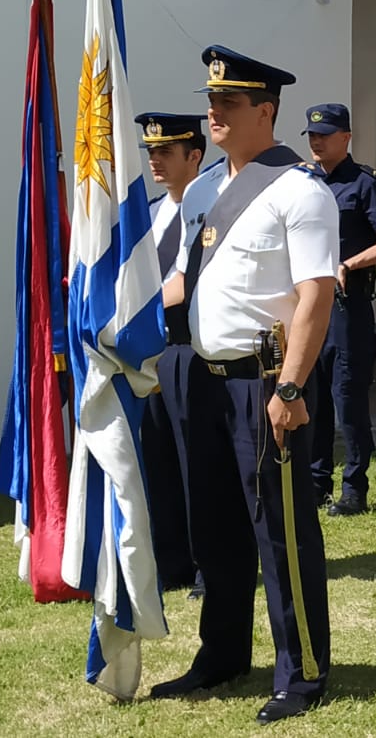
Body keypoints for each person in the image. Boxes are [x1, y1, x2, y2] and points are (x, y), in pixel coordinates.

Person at [150, 46, 338, 725]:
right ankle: (221, 656)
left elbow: (318, 294)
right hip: (202, 380)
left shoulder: (301, 191)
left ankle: (304, 673)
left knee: (281, 535)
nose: (213, 112)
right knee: (215, 530)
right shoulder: (201, 191)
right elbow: (181, 284)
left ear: (266, 110)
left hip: (264, 383)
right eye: (212, 101)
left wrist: (291, 390)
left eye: (228, 104)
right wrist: (112, 317)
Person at [302, 103, 376, 516]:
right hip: (308, 308)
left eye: (325, 134)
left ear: (346, 137)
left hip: (347, 305)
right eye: (311, 134)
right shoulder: (301, 184)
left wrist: (348, 264)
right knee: (314, 400)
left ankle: (354, 487)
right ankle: (316, 483)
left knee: (347, 399)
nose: (317, 141)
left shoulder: (365, 184)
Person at [137, 112, 210, 599]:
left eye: (165, 151)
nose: (155, 160)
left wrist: (135, 311)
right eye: (151, 152)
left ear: (194, 156)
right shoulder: (150, 210)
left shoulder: (208, 210)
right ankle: (173, 562)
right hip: (151, 355)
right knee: (159, 463)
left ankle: (210, 566)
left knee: (198, 467)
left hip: (192, 350)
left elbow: (186, 280)